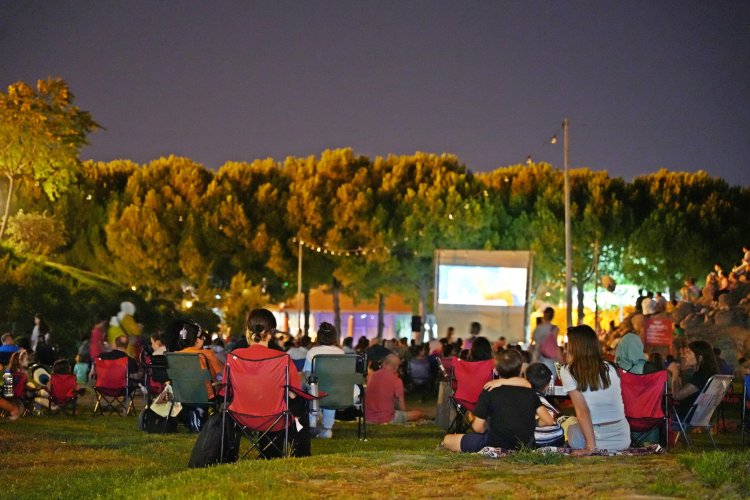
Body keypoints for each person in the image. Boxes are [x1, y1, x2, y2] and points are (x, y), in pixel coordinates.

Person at [230, 308, 310, 457]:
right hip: (274, 417)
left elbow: (228, 388)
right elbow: (293, 392)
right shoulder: (281, 357)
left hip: (240, 414)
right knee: (298, 402)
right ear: (271, 332)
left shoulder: (234, 355)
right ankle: (298, 452)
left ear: (248, 329)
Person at [441, 350, 546, 452]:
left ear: (496, 370)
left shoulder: (490, 390)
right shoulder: (530, 391)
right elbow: (547, 421)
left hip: (494, 443)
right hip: (526, 444)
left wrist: (471, 417)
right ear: (520, 368)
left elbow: (478, 428)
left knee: (448, 440)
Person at [560, 325, 630, 454]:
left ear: (573, 346)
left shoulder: (568, 371)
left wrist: (590, 448)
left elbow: (583, 411)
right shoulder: (611, 367)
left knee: (569, 426)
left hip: (593, 440)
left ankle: (589, 443)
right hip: (623, 439)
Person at [304, 322, 345, 439]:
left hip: (316, 393)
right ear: (334, 337)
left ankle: (313, 418)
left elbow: (307, 374)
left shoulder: (313, 351)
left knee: (311, 386)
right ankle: (327, 429)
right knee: (330, 397)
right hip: (335, 392)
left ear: (319, 336)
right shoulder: (340, 352)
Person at [365, 354, 423, 425]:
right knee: (417, 413)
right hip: (386, 418)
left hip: (368, 417)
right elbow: (402, 408)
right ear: (396, 367)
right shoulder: (396, 381)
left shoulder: (371, 376)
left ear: (384, 363)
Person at [673, 340, 719, 418]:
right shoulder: (708, 374)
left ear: (699, 358)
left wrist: (674, 373)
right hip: (701, 417)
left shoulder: (701, 376)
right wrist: (680, 373)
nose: (685, 356)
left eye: (689, 353)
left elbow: (676, 396)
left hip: (686, 417)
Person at [531, 307, 562, 379]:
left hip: (537, 356)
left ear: (544, 315)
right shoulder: (554, 328)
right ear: (552, 316)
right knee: (550, 380)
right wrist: (560, 359)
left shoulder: (537, 328)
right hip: (550, 358)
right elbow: (554, 344)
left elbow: (534, 342)